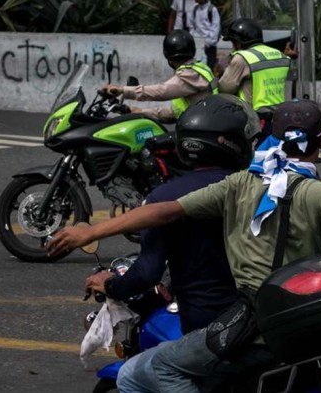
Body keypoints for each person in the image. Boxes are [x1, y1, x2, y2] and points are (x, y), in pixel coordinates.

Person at [47, 100, 321, 392]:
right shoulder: (316, 194)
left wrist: (91, 232)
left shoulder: (240, 186)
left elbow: (163, 212)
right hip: (306, 331)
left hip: (254, 331)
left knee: (137, 373)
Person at [84, 94, 260, 392]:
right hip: (260, 319)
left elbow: (146, 272)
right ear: (231, 143)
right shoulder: (259, 188)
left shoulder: (165, 198)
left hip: (211, 329)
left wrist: (111, 285)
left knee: (131, 376)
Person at [101, 30, 219, 123]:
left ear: (169, 59)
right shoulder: (200, 68)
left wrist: (122, 90)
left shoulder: (189, 75)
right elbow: (174, 113)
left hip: (198, 132)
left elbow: (161, 91)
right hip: (204, 125)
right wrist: (139, 111)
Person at [219, 17, 291, 137]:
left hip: (255, 117)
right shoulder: (278, 54)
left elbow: (225, 88)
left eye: (233, 43)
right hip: (280, 115)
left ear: (239, 42)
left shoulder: (243, 57)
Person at [189, 0, 221, 71]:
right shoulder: (195, 9)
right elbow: (191, 26)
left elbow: (215, 29)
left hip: (209, 47)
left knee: (208, 70)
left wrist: (207, 43)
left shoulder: (212, 10)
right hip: (197, 45)